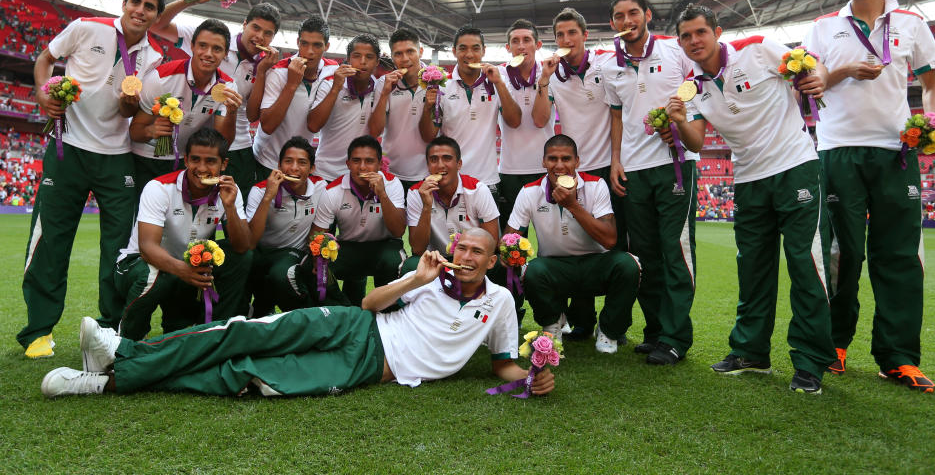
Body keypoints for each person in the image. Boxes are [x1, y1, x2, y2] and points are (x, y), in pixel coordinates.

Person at [40, 229, 555, 399]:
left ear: (492, 261)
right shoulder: (427, 275)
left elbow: (503, 364)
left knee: (249, 377)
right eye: (459, 247)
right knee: (241, 332)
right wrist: (416, 279)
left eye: (475, 253)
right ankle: (122, 351)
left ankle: (104, 383)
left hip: (372, 368)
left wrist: (534, 376)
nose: (463, 257)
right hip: (358, 324)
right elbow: (370, 303)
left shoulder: (500, 301)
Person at [669, 3, 833, 394]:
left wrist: (819, 79)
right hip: (748, 179)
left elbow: (813, 66)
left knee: (805, 265)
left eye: (700, 32)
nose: (694, 41)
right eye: (686, 36)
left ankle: (810, 362)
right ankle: (751, 352)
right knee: (753, 269)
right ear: (680, 42)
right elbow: (696, 140)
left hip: (795, 167)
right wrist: (678, 121)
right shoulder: (691, 86)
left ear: (717, 31)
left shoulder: (759, 47)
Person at [804, 0, 935, 393]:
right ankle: (834, 346)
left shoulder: (912, 23)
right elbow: (810, 85)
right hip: (837, 148)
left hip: (895, 150)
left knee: (900, 254)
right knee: (840, 254)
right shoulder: (825, 27)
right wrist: (845, 70)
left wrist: (929, 120)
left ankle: (898, 357)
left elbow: (931, 85)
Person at [20, 0, 168, 358]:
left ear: (156, 15)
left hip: (117, 155)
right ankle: (39, 331)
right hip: (67, 145)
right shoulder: (87, 27)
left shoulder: (153, 58)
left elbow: (126, 114)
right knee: (51, 238)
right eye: (135, 2)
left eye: (149, 6)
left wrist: (130, 102)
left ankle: (110, 327)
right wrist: (42, 95)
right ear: (124, 4)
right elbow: (44, 60)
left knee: (118, 245)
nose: (140, 10)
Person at [602, 0, 699, 365]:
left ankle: (676, 338)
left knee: (675, 252)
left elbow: (697, 89)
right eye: (619, 16)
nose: (627, 21)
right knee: (645, 256)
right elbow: (616, 116)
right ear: (612, 23)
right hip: (634, 169)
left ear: (647, 15)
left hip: (675, 163)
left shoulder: (676, 50)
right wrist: (614, 159)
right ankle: (656, 331)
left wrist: (681, 115)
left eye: (633, 13)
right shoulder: (611, 66)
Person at [505, 134, 640, 354]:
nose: (559, 165)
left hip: (596, 264)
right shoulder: (529, 191)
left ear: (577, 161)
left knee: (627, 265)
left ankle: (608, 331)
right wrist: (509, 249)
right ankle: (553, 323)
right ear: (543, 162)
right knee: (532, 271)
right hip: (554, 267)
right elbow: (510, 240)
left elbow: (609, 239)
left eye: (566, 159)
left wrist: (573, 205)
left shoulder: (596, 185)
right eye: (552, 159)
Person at [114, 128, 253, 341]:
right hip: (141, 265)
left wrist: (230, 207)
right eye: (195, 159)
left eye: (211, 161)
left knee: (240, 257)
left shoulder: (228, 191)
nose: (202, 168)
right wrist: (183, 270)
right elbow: (147, 247)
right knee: (154, 276)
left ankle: (217, 330)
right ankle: (128, 339)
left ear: (223, 164)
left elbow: (243, 246)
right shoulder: (159, 188)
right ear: (186, 160)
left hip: (186, 269)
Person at [537, 7, 622, 340]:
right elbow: (542, 118)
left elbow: (617, 114)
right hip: (573, 170)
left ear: (585, 35)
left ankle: (615, 325)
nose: (566, 40)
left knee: (613, 245)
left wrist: (616, 159)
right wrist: (543, 80)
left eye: (572, 33)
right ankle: (583, 322)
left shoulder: (604, 65)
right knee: (578, 243)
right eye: (560, 35)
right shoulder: (553, 76)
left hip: (605, 167)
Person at [150, 0, 282, 198]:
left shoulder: (267, 65)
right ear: (245, 24)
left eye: (268, 33)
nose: (260, 37)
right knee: (199, 210)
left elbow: (252, 115)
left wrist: (263, 71)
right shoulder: (215, 39)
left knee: (238, 214)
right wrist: (189, 0)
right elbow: (157, 24)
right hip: (199, 148)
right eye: (256, 28)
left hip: (238, 147)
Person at [286, 135, 406, 307]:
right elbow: (317, 234)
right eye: (356, 161)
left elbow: (398, 231)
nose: (362, 167)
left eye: (369, 161)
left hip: (384, 246)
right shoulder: (334, 190)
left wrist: (382, 194)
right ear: (348, 163)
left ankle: (388, 314)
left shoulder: (392, 183)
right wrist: (317, 259)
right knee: (312, 267)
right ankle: (343, 310)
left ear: (380, 164)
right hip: (349, 247)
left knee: (396, 262)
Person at [129, 19, 243, 196]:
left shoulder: (227, 88)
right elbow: (134, 132)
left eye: (217, 49)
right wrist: (151, 131)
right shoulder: (161, 78)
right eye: (203, 46)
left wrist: (232, 113)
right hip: (146, 158)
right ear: (192, 46)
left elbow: (223, 142)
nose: (208, 54)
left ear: (226, 53)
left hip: (184, 163)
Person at [244, 136, 347, 316]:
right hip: (263, 254)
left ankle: (314, 318)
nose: (293, 168)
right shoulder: (260, 190)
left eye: (302, 162)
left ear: (312, 168)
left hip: (296, 254)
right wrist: (268, 196)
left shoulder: (321, 187)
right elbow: (251, 241)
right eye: (288, 161)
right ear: (279, 165)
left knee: (283, 274)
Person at [418, 25, 521, 188]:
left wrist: (499, 84)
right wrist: (426, 108)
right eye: (463, 48)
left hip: (487, 181)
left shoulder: (497, 82)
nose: (469, 55)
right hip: (450, 180)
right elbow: (428, 136)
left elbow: (515, 121)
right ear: (454, 51)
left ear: (483, 51)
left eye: (475, 48)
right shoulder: (442, 86)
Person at [252, 15, 337, 182]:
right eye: (305, 43)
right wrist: (291, 85)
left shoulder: (332, 70)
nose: (310, 51)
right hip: (269, 162)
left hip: (300, 167)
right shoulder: (278, 72)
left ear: (326, 46)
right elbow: (267, 126)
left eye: (317, 45)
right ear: (298, 42)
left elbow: (314, 126)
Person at [496, 19, 557, 230]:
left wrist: (544, 80)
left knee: (550, 233)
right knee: (511, 237)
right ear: (508, 47)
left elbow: (540, 120)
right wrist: (499, 85)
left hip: (545, 168)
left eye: (527, 40)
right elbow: (513, 121)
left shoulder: (550, 71)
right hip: (510, 169)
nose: (521, 46)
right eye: (515, 41)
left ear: (537, 45)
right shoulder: (498, 76)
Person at [403, 136, 500, 266]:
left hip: (471, 258)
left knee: (498, 264)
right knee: (411, 265)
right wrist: (427, 206)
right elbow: (418, 248)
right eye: (433, 159)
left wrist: (466, 258)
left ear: (459, 164)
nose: (440, 165)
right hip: (435, 260)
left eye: (447, 158)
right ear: (427, 165)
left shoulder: (477, 190)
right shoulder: (416, 193)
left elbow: (491, 242)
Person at [308, 34, 383, 180]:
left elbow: (376, 132)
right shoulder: (330, 84)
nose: (362, 62)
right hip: (325, 172)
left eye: (369, 57)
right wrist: (336, 88)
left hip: (359, 175)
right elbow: (313, 126)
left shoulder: (379, 88)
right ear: (348, 59)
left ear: (376, 62)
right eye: (357, 56)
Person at [368, 28, 430, 194]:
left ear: (421, 51)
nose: (405, 59)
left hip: (428, 173)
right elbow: (374, 130)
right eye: (398, 54)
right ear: (392, 57)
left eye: (410, 51)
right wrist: (385, 94)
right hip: (391, 172)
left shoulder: (436, 80)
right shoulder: (384, 83)